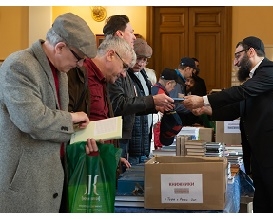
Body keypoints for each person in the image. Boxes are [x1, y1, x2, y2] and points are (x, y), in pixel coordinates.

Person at [0, 13, 98, 213]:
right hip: (26, 183)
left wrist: (80, 135)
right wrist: (71, 119)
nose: (80, 65)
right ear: (60, 47)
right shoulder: (19, 65)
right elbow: (32, 120)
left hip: (54, 175)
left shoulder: (60, 70)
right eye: (79, 58)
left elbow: (54, 122)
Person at [183, 36, 273, 213]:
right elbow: (237, 109)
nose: (235, 63)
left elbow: (241, 92)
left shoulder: (272, 71)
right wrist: (206, 110)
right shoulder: (256, 78)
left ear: (251, 52)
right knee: (263, 202)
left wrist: (202, 99)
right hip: (260, 152)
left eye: (237, 56)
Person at [105, 15, 175, 169]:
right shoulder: (115, 71)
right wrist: (152, 102)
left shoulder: (141, 74)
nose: (134, 37)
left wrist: (154, 106)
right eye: (132, 32)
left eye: (145, 60)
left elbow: (137, 102)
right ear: (120, 34)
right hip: (120, 139)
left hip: (137, 139)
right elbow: (118, 104)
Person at [67, 34, 137, 169]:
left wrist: (111, 155)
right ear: (110, 55)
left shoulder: (103, 81)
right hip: (81, 163)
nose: (123, 74)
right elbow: (66, 120)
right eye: (124, 66)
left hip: (99, 160)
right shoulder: (79, 74)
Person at [168, 57, 199, 126]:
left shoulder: (176, 79)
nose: (191, 75)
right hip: (172, 121)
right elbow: (173, 103)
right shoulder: (176, 81)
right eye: (191, 71)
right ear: (187, 69)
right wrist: (191, 108)